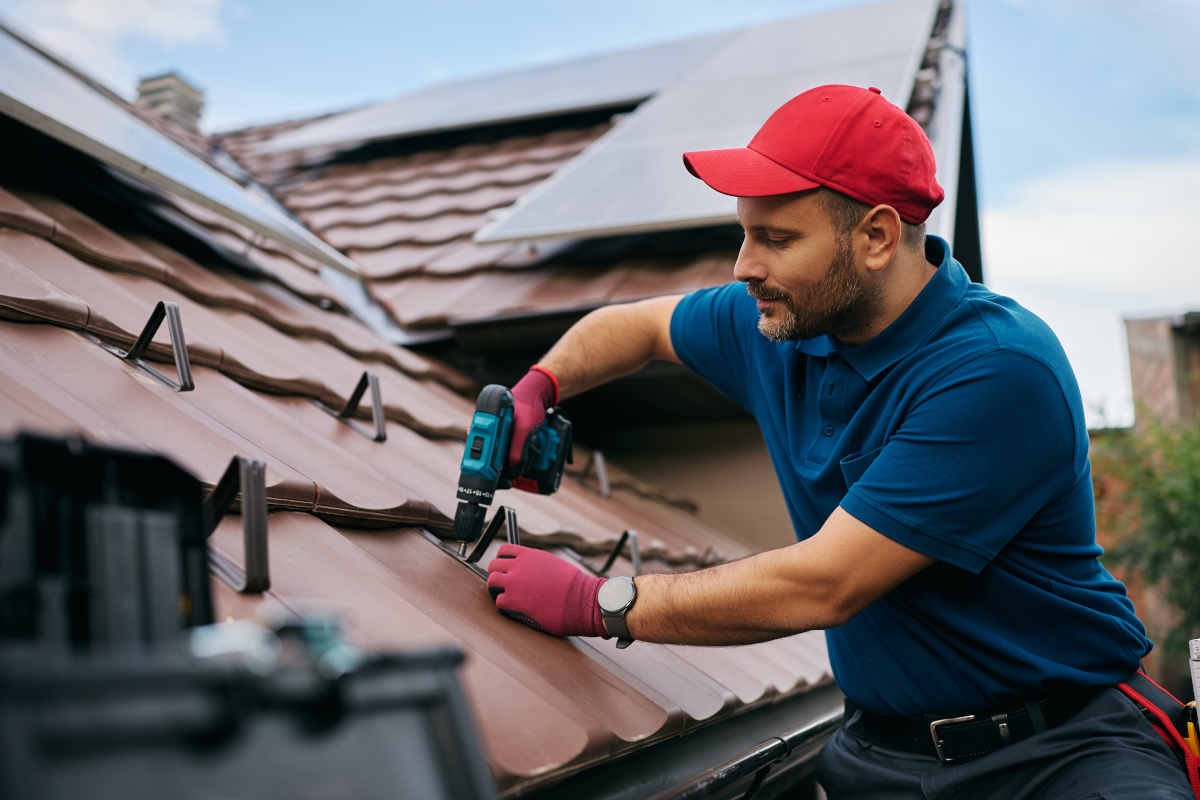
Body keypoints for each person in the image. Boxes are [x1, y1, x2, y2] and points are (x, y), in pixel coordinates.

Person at [483, 84, 1193, 798]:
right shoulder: (781, 320)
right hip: (879, 755)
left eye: (776, 239)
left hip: (1059, 757)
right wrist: (540, 386)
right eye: (745, 232)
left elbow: (823, 585)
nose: (743, 266)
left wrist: (599, 603)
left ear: (877, 238)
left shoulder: (997, 369)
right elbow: (635, 328)